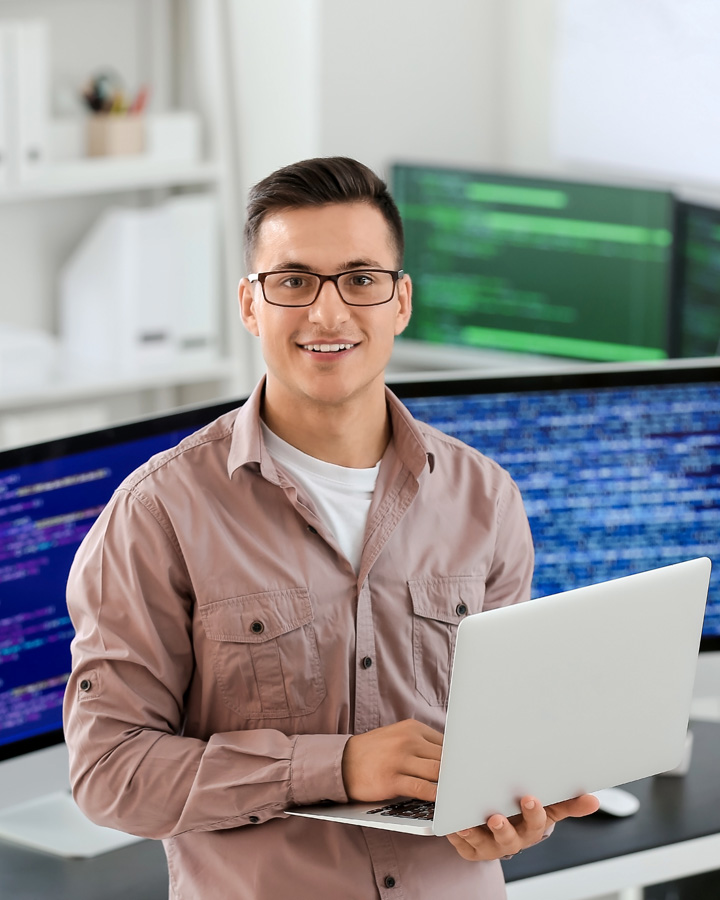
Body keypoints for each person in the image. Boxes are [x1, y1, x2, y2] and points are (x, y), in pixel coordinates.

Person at [63, 156, 598, 898]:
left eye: (361, 278)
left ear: (400, 301)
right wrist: (336, 766)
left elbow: (507, 735)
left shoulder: (485, 497)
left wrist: (518, 808)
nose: (328, 313)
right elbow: (108, 773)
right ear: (250, 306)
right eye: (292, 282)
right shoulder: (158, 513)